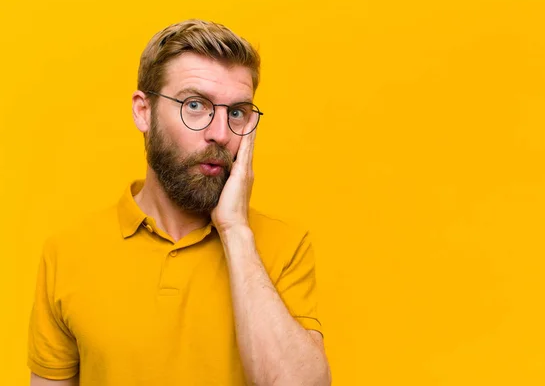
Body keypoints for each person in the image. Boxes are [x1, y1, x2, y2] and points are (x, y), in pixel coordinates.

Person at [28, 19, 331, 386]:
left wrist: (235, 231)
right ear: (143, 110)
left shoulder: (285, 247)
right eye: (195, 105)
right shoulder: (67, 252)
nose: (220, 133)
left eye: (236, 112)